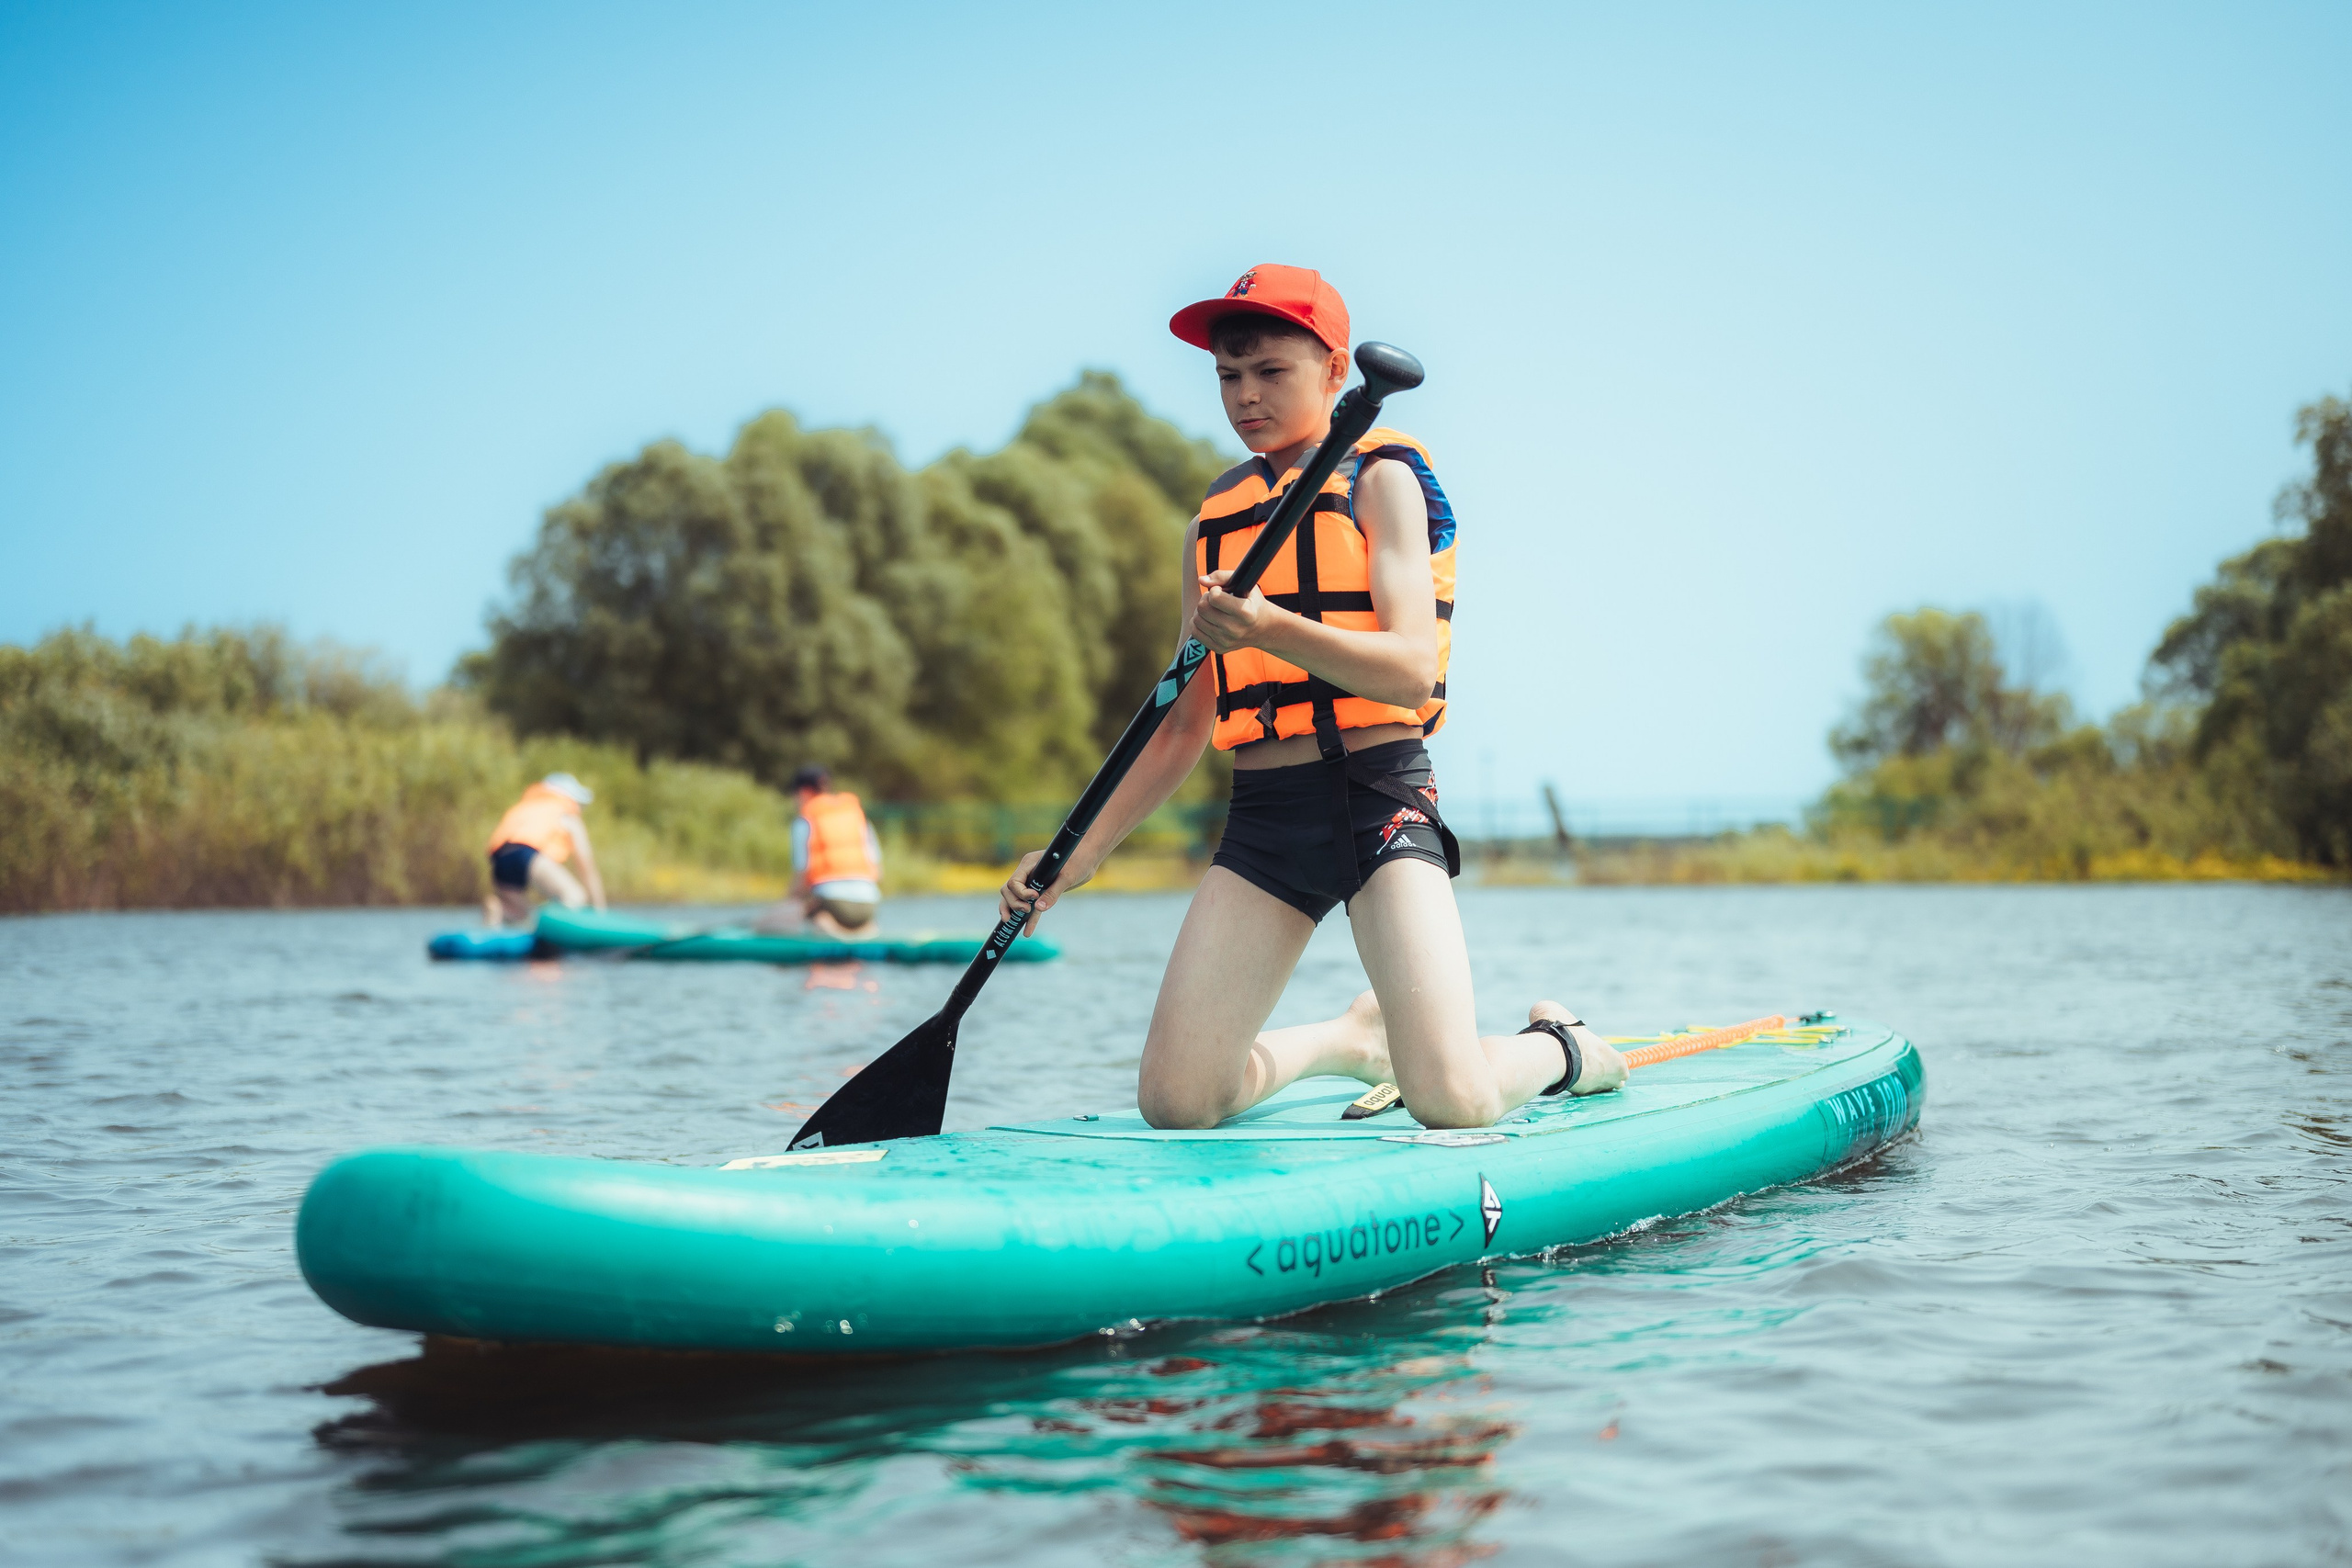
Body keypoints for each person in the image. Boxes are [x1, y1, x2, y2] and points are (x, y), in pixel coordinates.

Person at [1000, 265, 1627, 1131]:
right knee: (1178, 1102)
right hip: (1267, 818)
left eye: (1271, 372)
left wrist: (1268, 628)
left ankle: (1564, 1048)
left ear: (1337, 371)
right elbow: (1184, 722)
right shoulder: (1214, 522)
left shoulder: (1380, 482)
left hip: (1379, 797)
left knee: (1453, 1101)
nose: (1245, 396)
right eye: (1228, 375)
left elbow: (1409, 669)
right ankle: (1347, 1040)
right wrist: (1077, 858)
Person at [763, 765, 884, 938]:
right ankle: (863, 929)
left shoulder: (804, 822)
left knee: (780, 918)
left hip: (832, 907)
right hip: (869, 906)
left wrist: (784, 909)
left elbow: (801, 881)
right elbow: (878, 873)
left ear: (803, 793)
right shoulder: (858, 816)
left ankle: (825, 926)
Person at [482, 772, 606, 927]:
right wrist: (601, 912)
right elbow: (586, 864)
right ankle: (552, 932)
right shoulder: (567, 813)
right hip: (527, 853)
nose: (580, 809)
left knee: (522, 914)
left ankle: (499, 909)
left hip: (500, 858)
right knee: (575, 896)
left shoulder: (527, 806)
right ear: (570, 796)